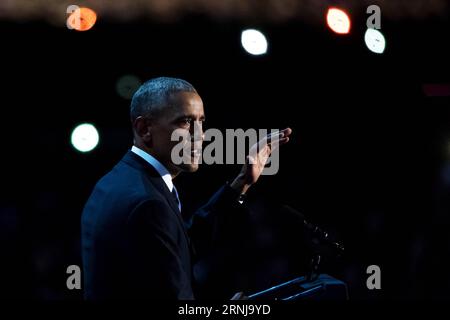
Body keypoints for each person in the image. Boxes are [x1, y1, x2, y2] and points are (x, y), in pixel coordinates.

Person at [81, 77, 291, 299]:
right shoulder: (147, 203)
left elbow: (180, 246)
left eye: (201, 121)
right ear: (144, 129)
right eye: (185, 122)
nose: (200, 135)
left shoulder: (121, 181)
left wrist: (242, 181)